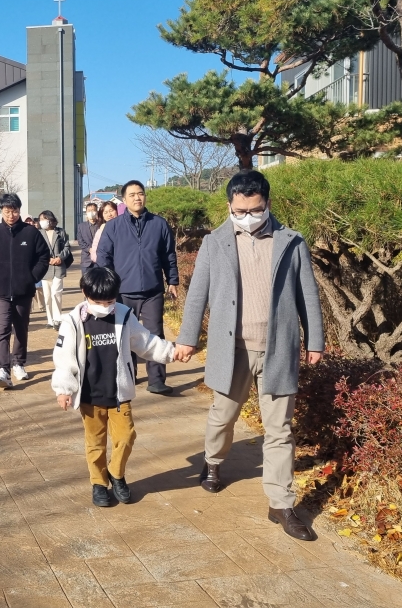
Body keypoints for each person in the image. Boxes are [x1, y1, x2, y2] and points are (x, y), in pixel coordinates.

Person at [174, 170, 325, 542]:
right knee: (222, 416)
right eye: (239, 211)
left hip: (278, 349)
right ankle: (213, 462)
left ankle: (281, 504)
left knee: (280, 430)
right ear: (229, 205)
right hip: (232, 350)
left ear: (267, 204)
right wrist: (187, 339)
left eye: (254, 210)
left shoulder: (291, 241)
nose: (247, 217)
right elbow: (197, 294)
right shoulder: (215, 241)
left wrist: (315, 341)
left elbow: (307, 293)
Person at [52, 267, 175, 507]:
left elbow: (145, 342)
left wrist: (171, 352)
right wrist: (64, 389)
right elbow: (63, 358)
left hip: (119, 393)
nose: (105, 307)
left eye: (109, 301)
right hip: (90, 395)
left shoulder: (124, 315)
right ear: (84, 293)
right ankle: (99, 483)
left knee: (126, 436)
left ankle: (116, 473)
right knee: (95, 443)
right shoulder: (73, 322)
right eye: (98, 302)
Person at [96, 181, 179, 395]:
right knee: (125, 335)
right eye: (132, 195)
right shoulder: (114, 226)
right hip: (122, 291)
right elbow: (104, 256)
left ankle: (157, 380)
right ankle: (128, 376)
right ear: (124, 200)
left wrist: (172, 280)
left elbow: (169, 255)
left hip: (153, 290)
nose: (137, 198)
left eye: (140, 193)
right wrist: (108, 284)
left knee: (155, 333)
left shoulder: (159, 224)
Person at [0, 192, 50, 388]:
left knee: (20, 328)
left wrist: (32, 277)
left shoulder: (31, 233)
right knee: (2, 329)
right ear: (1, 210)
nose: (11, 215)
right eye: (7, 211)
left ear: (19, 210)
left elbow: (43, 256)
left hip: (23, 291)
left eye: (15, 211)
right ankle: (3, 369)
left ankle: (18, 363)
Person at [38, 210, 73, 330]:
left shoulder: (60, 231)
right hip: (45, 268)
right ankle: (50, 320)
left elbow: (67, 247)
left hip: (58, 267)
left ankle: (57, 319)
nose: (41, 221)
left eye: (43, 219)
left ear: (50, 219)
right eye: (40, 219)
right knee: (47, 296)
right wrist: (47, 259)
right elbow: (37, 250)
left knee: (56, 293)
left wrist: (60, 258)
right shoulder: (39, 233)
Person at [77, 203, 102, 271]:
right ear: (86, 212)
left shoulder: (102, 225)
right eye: (89, 210)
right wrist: (89, 249)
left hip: (100, 259)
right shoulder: (81, 226)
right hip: (86, 260)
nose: (91, 212)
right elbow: (80, 241)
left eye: (93, 210)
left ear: (97, 211)